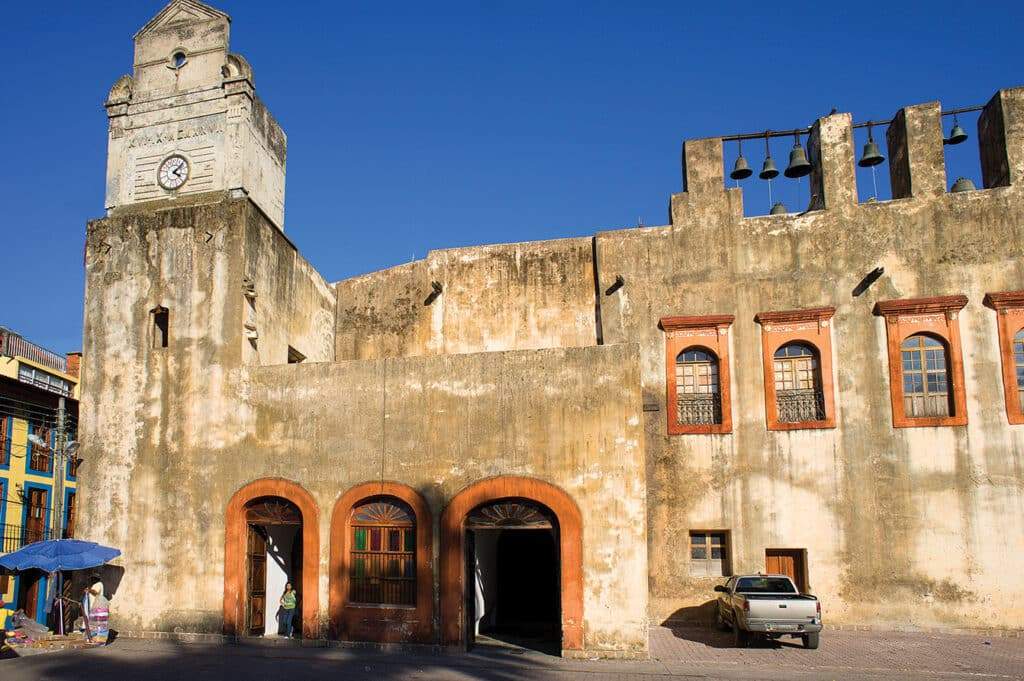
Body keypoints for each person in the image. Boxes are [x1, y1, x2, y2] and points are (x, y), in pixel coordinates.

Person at [82, 577, 110, 644]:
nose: (90, 580)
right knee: (94, 624)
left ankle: (97, 639)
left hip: (97, 607)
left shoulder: (98, 584)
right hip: (94, 608)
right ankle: (92, 638)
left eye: (92, 579)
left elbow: (95, 592)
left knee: (97, 624)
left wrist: (89, 590)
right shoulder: (95, 585)